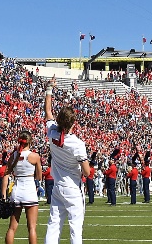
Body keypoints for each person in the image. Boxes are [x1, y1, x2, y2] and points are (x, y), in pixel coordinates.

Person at [43, 78, 90, 244]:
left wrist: (49, 90)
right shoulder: (77, 144)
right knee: (75, 227)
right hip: (72, 187)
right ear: (73, 123)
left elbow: (48, 111)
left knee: (54, 224)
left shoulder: (52, 133)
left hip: (58, 185)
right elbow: (87, 172)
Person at [2, 132, 42, 244]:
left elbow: (6, 174)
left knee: (12, 228)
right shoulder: (35, 156)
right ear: (30, 142)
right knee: (32, 228)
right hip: (29, 190)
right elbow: (39, 176)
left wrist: (3, 194)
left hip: (16, 191)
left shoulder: (13, 156)